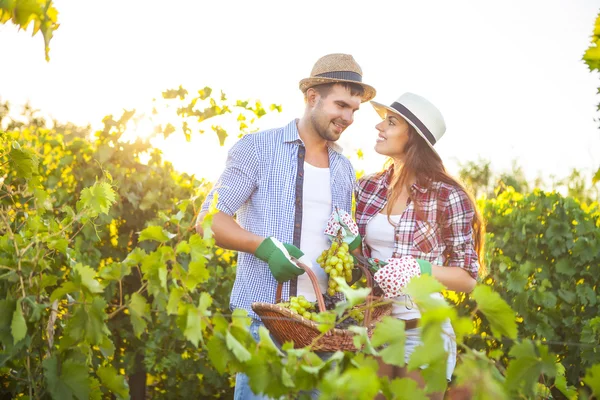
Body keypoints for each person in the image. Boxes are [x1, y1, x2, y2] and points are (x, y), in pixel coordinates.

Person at [196, 53, 376, 400]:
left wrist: (353, 251)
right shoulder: (258, 149)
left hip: (324, 327)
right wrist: (263, 247)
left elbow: (338, 240)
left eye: (355, 109)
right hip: (261, 323)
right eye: (341, 105)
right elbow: (210, 218)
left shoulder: (344, 169)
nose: (348, 117)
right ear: (312, 97)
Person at [353, 92, 485, 399]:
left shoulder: (446, 194)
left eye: (391, 121)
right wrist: (349, 245)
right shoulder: (368, 186)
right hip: (378, 325)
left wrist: (419, 268)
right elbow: (364, 266)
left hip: (423, 324)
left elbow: (467, 278)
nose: (379, 127)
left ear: (413, 137)